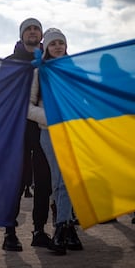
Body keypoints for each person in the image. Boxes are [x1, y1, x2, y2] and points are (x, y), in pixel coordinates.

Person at [28, 28, 83, 255]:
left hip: (72, 132)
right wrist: (49, 119)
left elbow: (83, 100)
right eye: (53, 44)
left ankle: (64, 227)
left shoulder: (75, 71)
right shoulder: (39, 72)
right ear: (46, 48)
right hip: (49, 133)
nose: (58, 46)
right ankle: (64, 227)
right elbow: (27, 106)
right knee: (59, 181)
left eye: (61, 42)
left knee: (68, 180)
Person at [0, 18, 52, 252]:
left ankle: (39, 230)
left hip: (43, 128)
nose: (32, 32)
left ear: (41, 35)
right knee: (17, 181)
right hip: (17, 129)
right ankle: (9, 232)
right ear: (21, 35)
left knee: (43, 181)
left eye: (36, 29)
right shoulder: (9, 63)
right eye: (28, 29)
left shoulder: (49, 62)